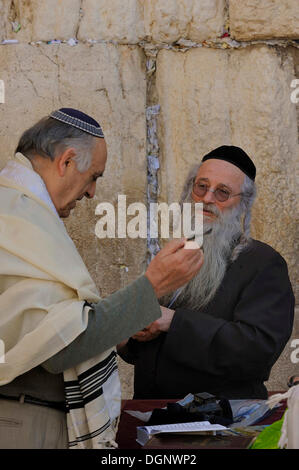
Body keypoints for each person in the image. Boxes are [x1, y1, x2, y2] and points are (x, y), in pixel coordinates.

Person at [0, 108, 204, 449]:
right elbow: (59, 348)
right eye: (94, 176)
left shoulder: (23, 211)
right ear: (66, 162)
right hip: (24, 426)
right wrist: (153, 285)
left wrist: (120, 328)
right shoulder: (18, 219)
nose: (92, 192)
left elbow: (60, 328)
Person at [118, 145, 295, 401]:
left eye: (222, 192)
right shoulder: (176, 253)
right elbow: (150, 341)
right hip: (154, 417)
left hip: (220, 424)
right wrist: (131, 336)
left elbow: (258, 350)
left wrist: (173, 322)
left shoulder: (264, 263)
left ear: (243, 204)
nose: (207, 198)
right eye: (201, 186)